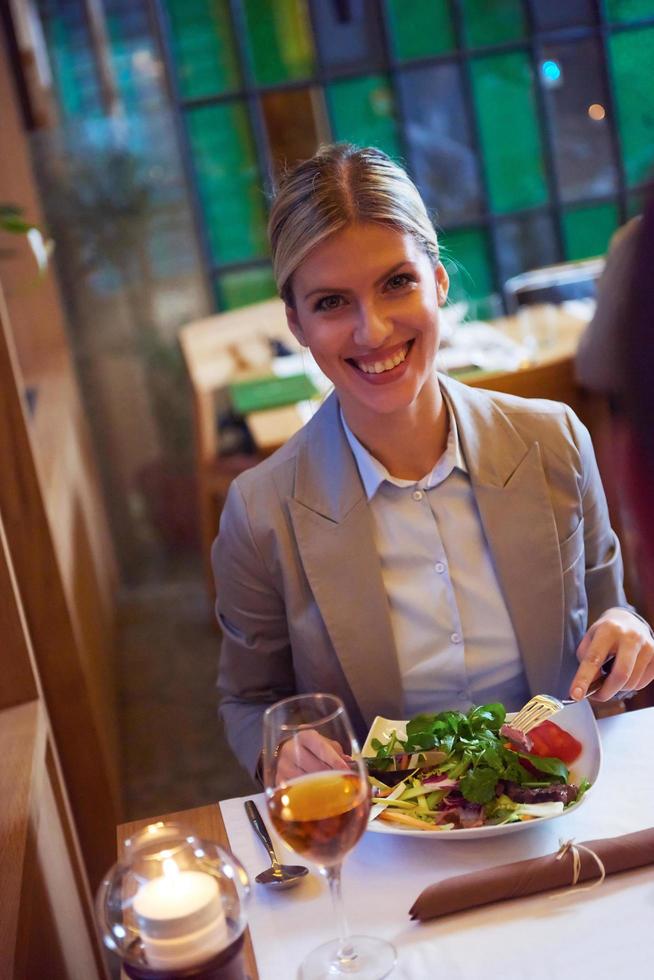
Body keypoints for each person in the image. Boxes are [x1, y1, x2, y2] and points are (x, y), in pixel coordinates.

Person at [213, 144, 654, 780]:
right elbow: (250, 702)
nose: (372, 331)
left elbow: (615, 614)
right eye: (331, 303)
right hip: (398, 833)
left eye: (397, 283)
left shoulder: (554, 440)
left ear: (440, 280)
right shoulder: (260, 512)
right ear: (296, 324)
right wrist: (281, 746)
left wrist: (628, 631)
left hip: (566, 803)